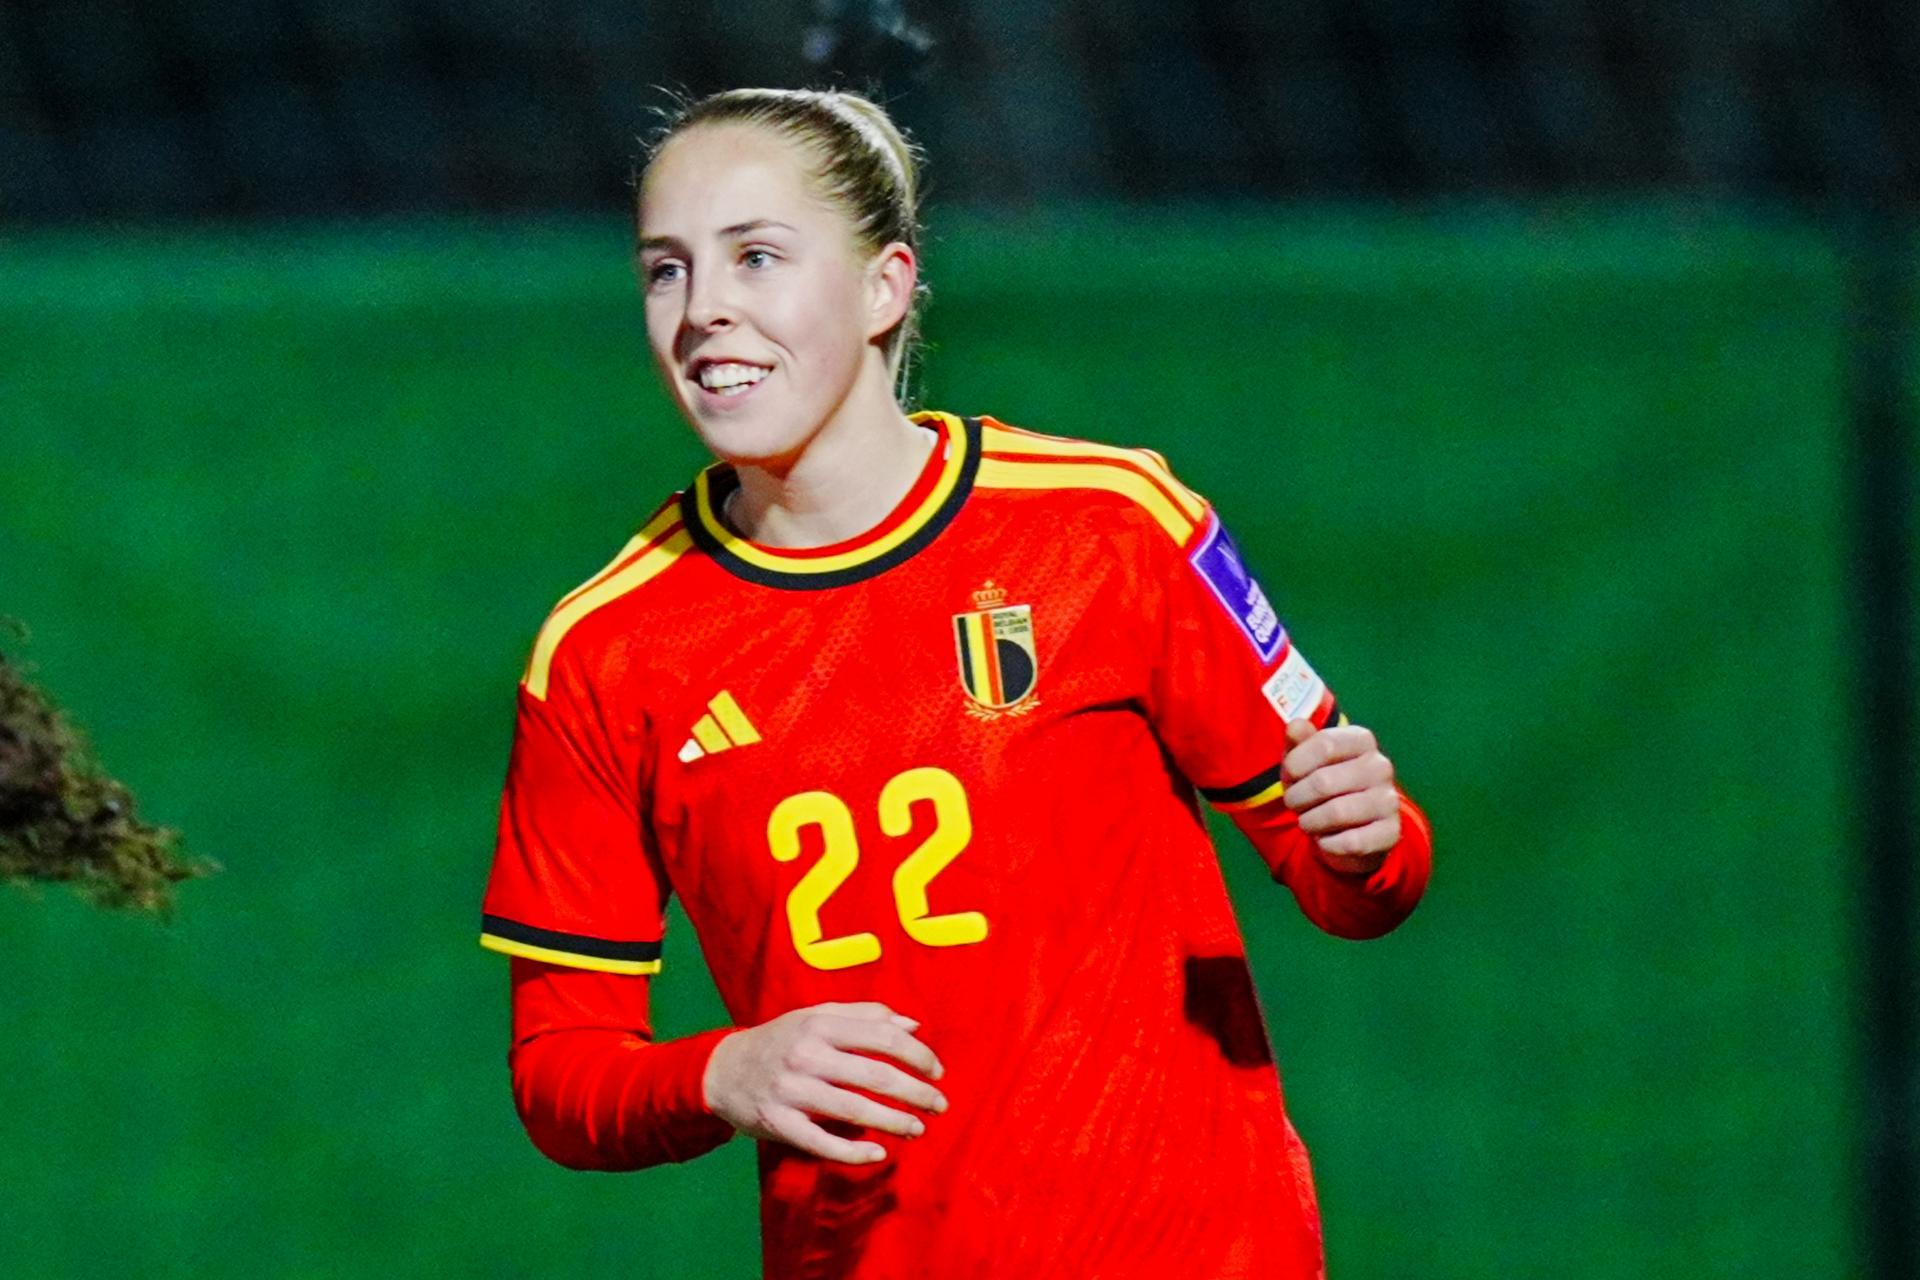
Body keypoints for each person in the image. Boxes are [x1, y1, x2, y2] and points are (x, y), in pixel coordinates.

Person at [478, 86, 1433, 1279]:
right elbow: (560, 1068)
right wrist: (723, 1068)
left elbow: (1360, 874)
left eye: (757, 256)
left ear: (886, 285)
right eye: (665, 270)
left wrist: (1363, 835)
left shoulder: (1112, 525)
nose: (704, 309)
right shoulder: (604, 650)